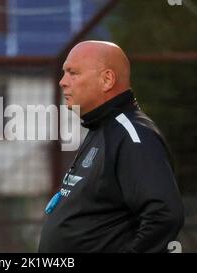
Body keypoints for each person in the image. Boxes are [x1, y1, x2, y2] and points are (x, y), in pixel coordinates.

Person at [38, 41, 185, 253]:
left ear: (107, 79)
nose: (63, 82)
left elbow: (165, 215)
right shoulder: (100, 128)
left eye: (73, 73)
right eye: (63, 73)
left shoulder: (134, 135)